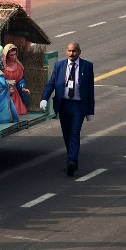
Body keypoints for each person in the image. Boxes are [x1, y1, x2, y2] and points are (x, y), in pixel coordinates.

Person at [40, 42, 95, 176]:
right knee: (67, 134)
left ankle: (71, 161)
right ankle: (72, 159)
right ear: (66, 51)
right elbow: (52, 83)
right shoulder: (59, 66)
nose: (72, 54)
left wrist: (90, 111)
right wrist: (44, 98)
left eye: (74, 51)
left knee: (75, 133)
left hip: (78, 106)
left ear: (79, 52)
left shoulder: (87, 66)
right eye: (69, 51)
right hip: (64, 105)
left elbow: (90, 89)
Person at [2, 43, 30, 115]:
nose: (14, 57)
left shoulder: (18, 66)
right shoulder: (2, 68)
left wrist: (23, 87)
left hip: (15, 92)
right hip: (5, 91)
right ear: (7, 55)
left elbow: (20, 80)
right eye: (11, 55)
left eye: (15, 54)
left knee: (17, 109)